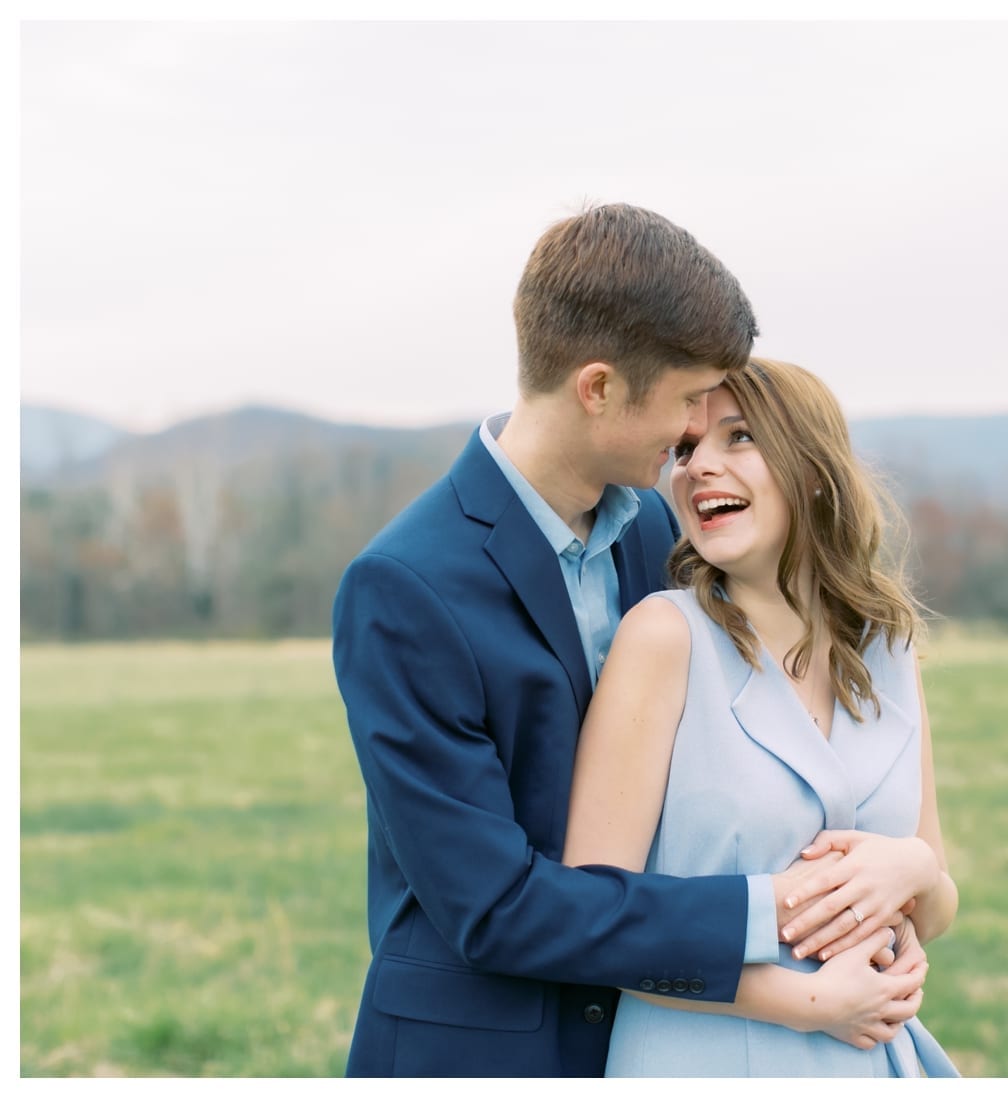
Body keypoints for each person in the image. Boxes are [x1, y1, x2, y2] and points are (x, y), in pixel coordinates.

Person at [332, 205, 927, 1077]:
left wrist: (905, 871)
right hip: (484, 1056)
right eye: (690, 400)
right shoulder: (404, 589)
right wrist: (785, 912)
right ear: (599, 387)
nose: (694, 437)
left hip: (667, 1044)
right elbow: (494, 907)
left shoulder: (661, 533)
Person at [563, 356, 962, 1077]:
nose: (696, 468)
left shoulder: (888, 646)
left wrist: (917, 869)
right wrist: (809, 1004)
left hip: (873, 1063)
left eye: (738, 437)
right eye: (685, 449)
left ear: (812, 468)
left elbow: (934, 908)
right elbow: (593, 918)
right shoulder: (664, 638)